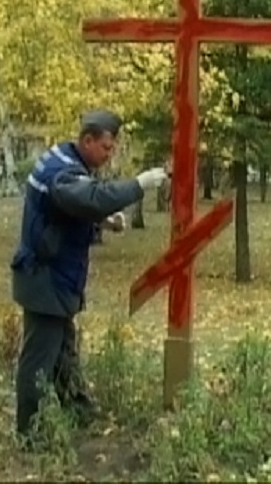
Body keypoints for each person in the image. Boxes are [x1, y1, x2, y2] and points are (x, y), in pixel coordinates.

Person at [10, 109, 167, 444]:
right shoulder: (62, 173)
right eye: (106, 148)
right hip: (44, 280)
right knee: (38, 361)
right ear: (87, 140)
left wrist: (102, 221)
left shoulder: (67, 162)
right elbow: (90, 197)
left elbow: (66, 211)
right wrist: (138, 185)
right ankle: (30, 437)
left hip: (54, 279)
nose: (110, 155)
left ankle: (79, 413)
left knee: (63, 353)